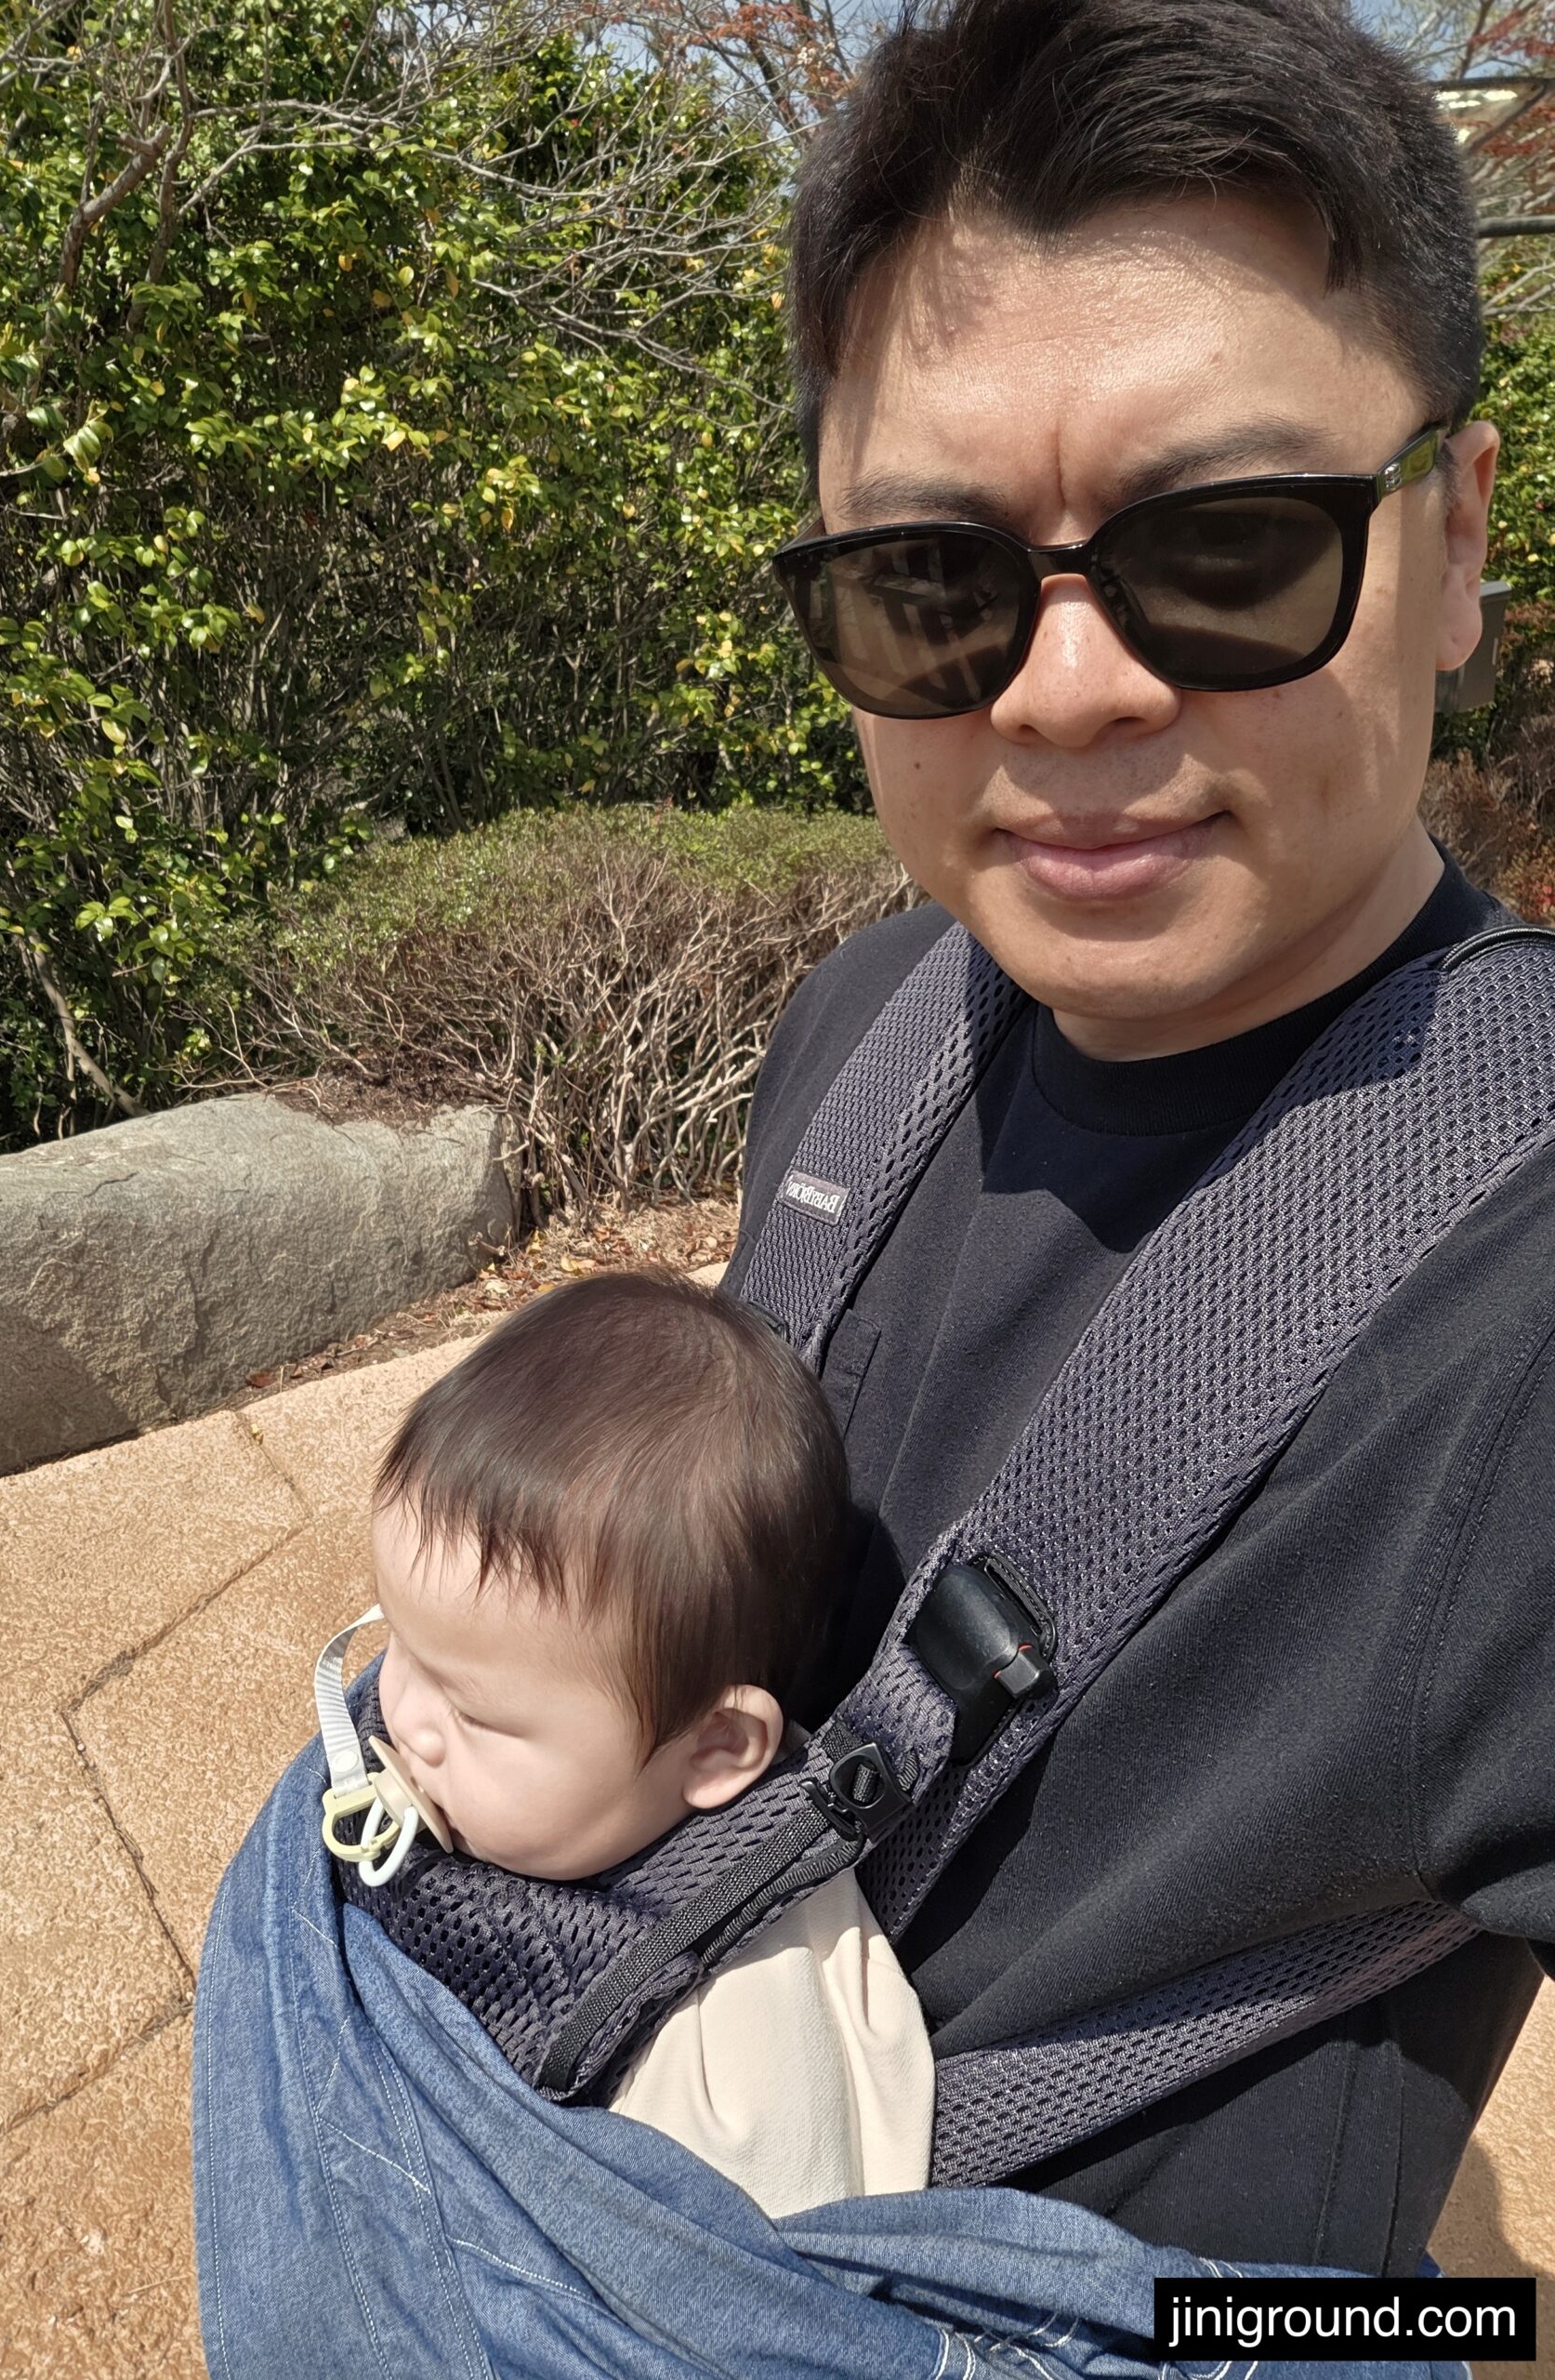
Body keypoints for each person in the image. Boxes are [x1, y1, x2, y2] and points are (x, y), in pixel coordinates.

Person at [730, 0, 1549, 2278]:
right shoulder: (871, 1017)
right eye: (929, 582)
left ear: (1454, 533)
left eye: (1229, 547)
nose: (1064, 684)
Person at [360, 1266, 936, 2218]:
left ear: (713, 1751)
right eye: (399, 1645)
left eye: (474, 1714)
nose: (404, 1715)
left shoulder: (737, 2025)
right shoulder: (514, 1744)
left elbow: (729, 2284)